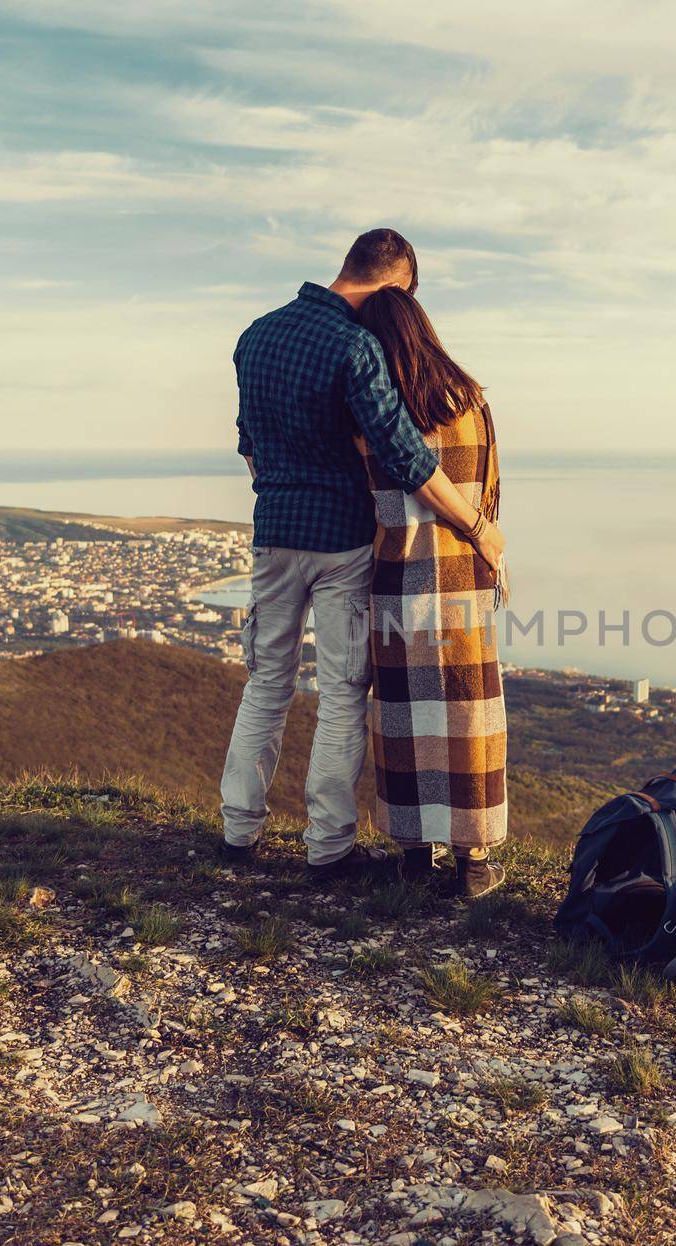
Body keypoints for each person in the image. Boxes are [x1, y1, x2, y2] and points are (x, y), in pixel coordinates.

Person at [219, 229, 505, 882]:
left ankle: (238, 836)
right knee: (343, 694)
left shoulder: (255, 335)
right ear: (397, 285)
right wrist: (478, 527)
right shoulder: (358, 346)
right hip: (343, 542)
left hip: (273, 534)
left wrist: (279, 491)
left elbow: (249, 444)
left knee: (266, 684)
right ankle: (327, 849)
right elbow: (408, 460)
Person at [354, 287, 508, 899]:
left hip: (396, 575)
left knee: (403, 716)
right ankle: (474, 861)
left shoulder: (374, 414)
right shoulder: (471, 402)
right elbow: (489, 493)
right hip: (464, 575)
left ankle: (414, 854)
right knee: (468, 715)